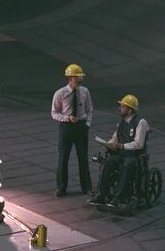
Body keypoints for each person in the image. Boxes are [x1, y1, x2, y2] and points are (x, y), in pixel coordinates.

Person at [90, 93, 149, 213]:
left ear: (130, 109)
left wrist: (122, 146)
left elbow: (139, 144)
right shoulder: (121, 123)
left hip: (134, 155)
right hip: (122, 153)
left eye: (122, 106)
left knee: (127, 166)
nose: (120, 109)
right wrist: (109, 144)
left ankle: (119, 197)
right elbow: (115, 138)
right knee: (108, 163)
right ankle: (102, 194)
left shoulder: (140, 122)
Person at [50, 63, 94, 197]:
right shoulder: (60, 93)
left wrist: (87, 124)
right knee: (63, 158)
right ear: (69, 78)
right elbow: (54, 113)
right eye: (77, 77)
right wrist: (67, 118)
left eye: (80, 77)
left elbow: (90, 109)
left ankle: (86, 187)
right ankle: (61, 188)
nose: (80, 80)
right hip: (67, 128)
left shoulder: (84, 91)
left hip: (81, 127)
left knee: (83, 158)